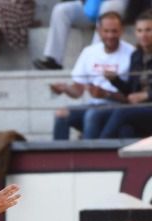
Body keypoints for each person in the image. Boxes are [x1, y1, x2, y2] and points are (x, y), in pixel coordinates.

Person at [50, 11, 134, 140]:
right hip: (93, 104)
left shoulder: (132, 53)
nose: (110, 35)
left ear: (121, 30)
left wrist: (106, 94)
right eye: (106, 31)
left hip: (117, 107)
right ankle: (58, 157)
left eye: (114, 31)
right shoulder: (89, 52)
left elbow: (132, 95)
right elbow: (78, 91)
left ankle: (89, 156)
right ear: (99, 31)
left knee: (92, 115)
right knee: (61, 114)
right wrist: (65, 88)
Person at [98, 9, 152, 137]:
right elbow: (130, 92)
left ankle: (95, 150)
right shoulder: (136, 56)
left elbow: (140, 95)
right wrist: (114, 79)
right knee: (125, 129)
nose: (143, 35)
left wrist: (146, 95)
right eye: (139, 30)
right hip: (139, 108)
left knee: (121, 112)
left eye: (148, 30)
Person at [33, 0, 128, 71]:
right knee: (61, 10)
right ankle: (53, 60)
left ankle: (95, 60)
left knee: (107, 8)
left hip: (116, 4)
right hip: (92, 4)